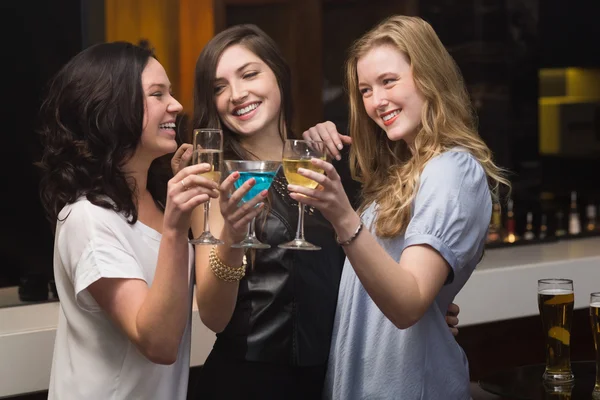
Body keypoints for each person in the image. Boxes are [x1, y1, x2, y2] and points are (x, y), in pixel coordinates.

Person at [188, 24, 461, 399]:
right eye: (219, 87)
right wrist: (232, 237)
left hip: (332, 379)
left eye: (250, 74)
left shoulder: (323, 162)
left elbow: (369, 268)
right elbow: (213, 316)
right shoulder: (217, 180)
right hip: (248, 382)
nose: (236, 94)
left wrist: (424, 315)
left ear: (279, 76)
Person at [293, 15, 510, 399]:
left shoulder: (453, 170)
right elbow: (392, 290)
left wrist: (343, 216)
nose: (377, 101)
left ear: (429, 77)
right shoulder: (403, 173)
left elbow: (408, 303)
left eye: (388, 81)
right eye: (365, 90)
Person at [37, 41, 219, 400]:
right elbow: (160, 343)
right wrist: (175, 225)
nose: (177, 105)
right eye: (157, 94)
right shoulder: (87, 219)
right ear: (111, 109)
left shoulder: (158, 201)